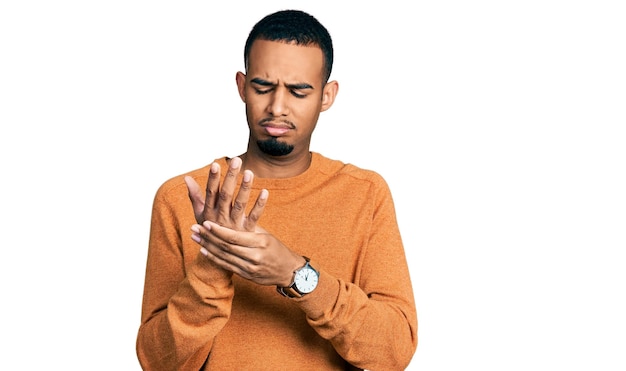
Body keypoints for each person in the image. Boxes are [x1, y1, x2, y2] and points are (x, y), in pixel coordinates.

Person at [136, 9, 417, 371]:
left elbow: (393, 351)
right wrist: (215, 264)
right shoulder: (183, 197)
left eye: (299, 91)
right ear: (241, 86)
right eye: (262, 87)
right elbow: (157, 363)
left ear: (327, 96)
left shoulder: (365, 194)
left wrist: (296, 273)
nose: (277, 107)